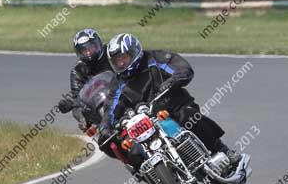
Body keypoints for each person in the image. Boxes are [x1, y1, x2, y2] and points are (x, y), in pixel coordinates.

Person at [98, 34, 241, 173]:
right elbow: (110, 108)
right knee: (134, 150)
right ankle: (161, 180)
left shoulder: (155, 59)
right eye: (117, 61)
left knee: (189, 117)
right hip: (148, 123)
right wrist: (104, 128)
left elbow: (183, 69)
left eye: (123, 58)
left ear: (134, 52)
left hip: (175, 107)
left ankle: (223, 150)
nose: (121, 63)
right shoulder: (118, 83)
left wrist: (170, 83)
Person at [58, 29, 112, 131]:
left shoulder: (111, 55)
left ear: (98, 44)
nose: (88, 53)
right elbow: (78, 100)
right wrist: (82, 118)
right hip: (100, 106)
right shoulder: (78, 71)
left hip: (123, 94)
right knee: (97, 134)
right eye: (84, 51)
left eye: (91, 48)